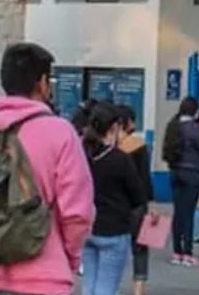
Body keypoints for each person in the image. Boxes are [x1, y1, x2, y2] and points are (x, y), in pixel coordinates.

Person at [0, 43, 94, 295]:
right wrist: (69, 258)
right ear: (42, 83)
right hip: (42, 277)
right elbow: (77, 214)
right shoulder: (61, 133)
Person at [81, 102, 147, 295]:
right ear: (114, 127)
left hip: (86, 227)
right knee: (106, 289)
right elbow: (138, 196)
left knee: (89, 286)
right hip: (114, 231)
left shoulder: (82, 154)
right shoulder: (120, 159)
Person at [162, 96, 199, 267]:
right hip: (192, 173)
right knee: (189, 213)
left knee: (178, 212)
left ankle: (177, 252)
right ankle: (188, 253)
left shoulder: (172, 127)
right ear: (195, 111)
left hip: (175, 172)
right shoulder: (196, 130)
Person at [116, 105, 154, 295]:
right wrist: (151, 204)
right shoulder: (139, 145)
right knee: (140, 248)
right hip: (137, 205)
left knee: (115, 247)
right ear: (128, 122)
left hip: (116, 205)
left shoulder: (110, 148)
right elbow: (145, 178)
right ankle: (138, 290)